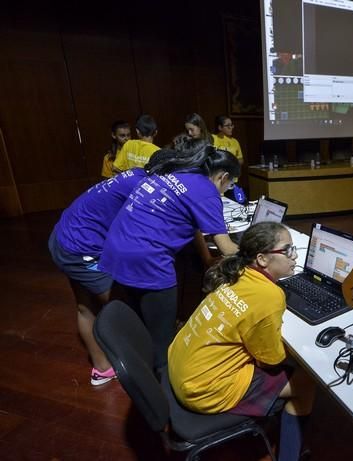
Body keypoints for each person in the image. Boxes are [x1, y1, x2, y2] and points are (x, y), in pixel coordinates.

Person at [168, 222, 315, 461]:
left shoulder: (234, 272)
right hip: (202, 390)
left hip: (180, 366)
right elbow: (270, 360)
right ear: (263, 259)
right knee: (305, 382)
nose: (295, 256)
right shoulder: (270, 295)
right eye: (287, 250)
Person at [100, 147, 241, 373]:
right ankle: (160, 386)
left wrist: (205, 256)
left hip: (117, 247)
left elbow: (190, 223)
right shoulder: (207, 191)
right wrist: (256, 250)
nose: (228, 189)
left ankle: (140, 369)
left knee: (142, 325)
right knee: (162, 338)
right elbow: (226, 248)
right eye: (230, 184)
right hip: (147, 259)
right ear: (223, 177)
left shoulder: (179, 175)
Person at [49, 167, 148, 385]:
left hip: (63, 236)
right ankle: (143, 371)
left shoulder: (135, 174)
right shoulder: (145, 188)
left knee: (85, 306)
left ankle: (102, 368)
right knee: (122, 309)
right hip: (78, 248)